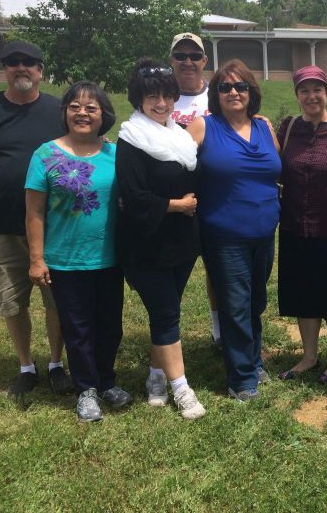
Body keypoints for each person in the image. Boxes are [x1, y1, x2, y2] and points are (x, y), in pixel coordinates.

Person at [0, 40, 74, 399]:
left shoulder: (58, 111)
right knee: (11, 299)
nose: (21, 67)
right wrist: (4, 185)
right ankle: (26, 366)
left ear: (40, 70)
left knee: (57, 299)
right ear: (4, 69)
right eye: (12, 62)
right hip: (2, 223)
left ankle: (55, 363)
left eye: (29, 62)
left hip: (54, 225)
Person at [25, 81, 129, 422]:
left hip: (110, 257)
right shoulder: (45, 155)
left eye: (91, 108)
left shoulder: (115, 154)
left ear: (103, 115)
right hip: (66, 260)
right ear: (65, 113)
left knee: (110, 326)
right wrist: (37, 259)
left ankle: (106, 381)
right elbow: (34, 212)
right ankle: (86, 390)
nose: (82, 113)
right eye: (75, 107)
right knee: (78, 328)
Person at [116, 59, 206, 420]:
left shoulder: (179, 136)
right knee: (166, 313)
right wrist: (177, 205)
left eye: (168, 96)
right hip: (146, 245)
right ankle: (182, 390)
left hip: (182, 244)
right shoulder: (131, 139)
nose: (162, 103)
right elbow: (133, 197)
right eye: (152, 96)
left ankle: (155, 376)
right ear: (139, 99)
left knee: (165, 312)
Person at [187, 59, 281, 402]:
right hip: (224, 235)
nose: (233, 92)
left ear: (251, 91)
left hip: (264, 233)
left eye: (240, 86)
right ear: (216, 93)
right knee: (235, 304)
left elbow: (277, 168)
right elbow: (174, 163)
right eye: (225, 87)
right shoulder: (203, 126)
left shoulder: (264, 127)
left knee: (255, 300)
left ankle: (253, 360)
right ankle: (240, 379)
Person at [277, 65, 327, 383]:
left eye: (317, 90)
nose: (312, 96)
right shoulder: (288, 128)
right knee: (302, 293)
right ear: (297, 95)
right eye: (304, 90)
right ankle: (309, 356)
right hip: (294, 226)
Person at [168, 32, 222, 347]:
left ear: (204, 61)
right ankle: (166, 336)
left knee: (217, 270)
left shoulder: (218, 94)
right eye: (180, 56)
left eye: (194, 56)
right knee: (173, 273)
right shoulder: (161, 95)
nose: (187, 62)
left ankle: (219, 332)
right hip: (176, 200)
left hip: (214, 195)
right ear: (171, 60)